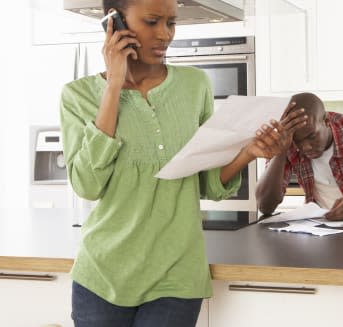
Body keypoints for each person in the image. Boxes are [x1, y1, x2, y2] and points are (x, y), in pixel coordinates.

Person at [60, 0, 285, 325]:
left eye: (171, 23)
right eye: (152, 21)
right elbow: (87, 186)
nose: (165, 34)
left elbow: (208, 182)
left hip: (177, 274)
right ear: (114, 23)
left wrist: (250, 152)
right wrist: (113, 86)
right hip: (103, 275)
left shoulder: (195, 86)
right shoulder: (77, 95)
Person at [256, 92, 343, 221]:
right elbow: (265, 206)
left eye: (311, 136)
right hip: (316, 224)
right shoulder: (286, 140)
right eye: (297, 140)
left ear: (326, 121)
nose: (305, 147)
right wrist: (280, 152)